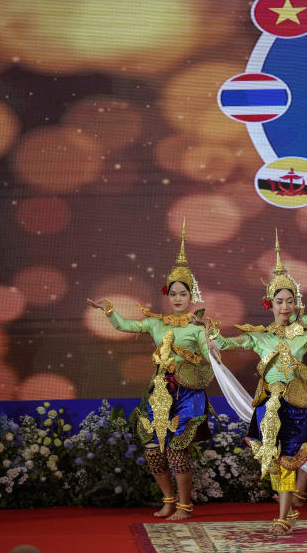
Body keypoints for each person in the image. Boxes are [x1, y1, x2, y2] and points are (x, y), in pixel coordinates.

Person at [210, 231, 307, 535]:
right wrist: (209, 335)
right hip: (266, 405)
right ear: (270, 304)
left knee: (289, 458)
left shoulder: (305, 333)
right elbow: (226, 342)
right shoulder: (260, 336)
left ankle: (281, 516)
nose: (285, 307)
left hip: (294, 406)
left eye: (290, 301)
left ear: (296, 303)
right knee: (273, 460)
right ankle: (287, 511)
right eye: (280, 301)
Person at [86, 221, 213, 520]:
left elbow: (210, 357)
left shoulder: (197, 325)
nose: (178, 298)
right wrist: (109, 310)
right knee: (154, 449)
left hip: (188, 393)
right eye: (173, 293)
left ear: (191, 296)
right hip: (160, 392)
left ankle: (185, 505)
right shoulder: (157, 322)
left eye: (183, 293)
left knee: (176, 449)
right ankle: (168, 499)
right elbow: (126, 326)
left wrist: (209, 339)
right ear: (167, 295)